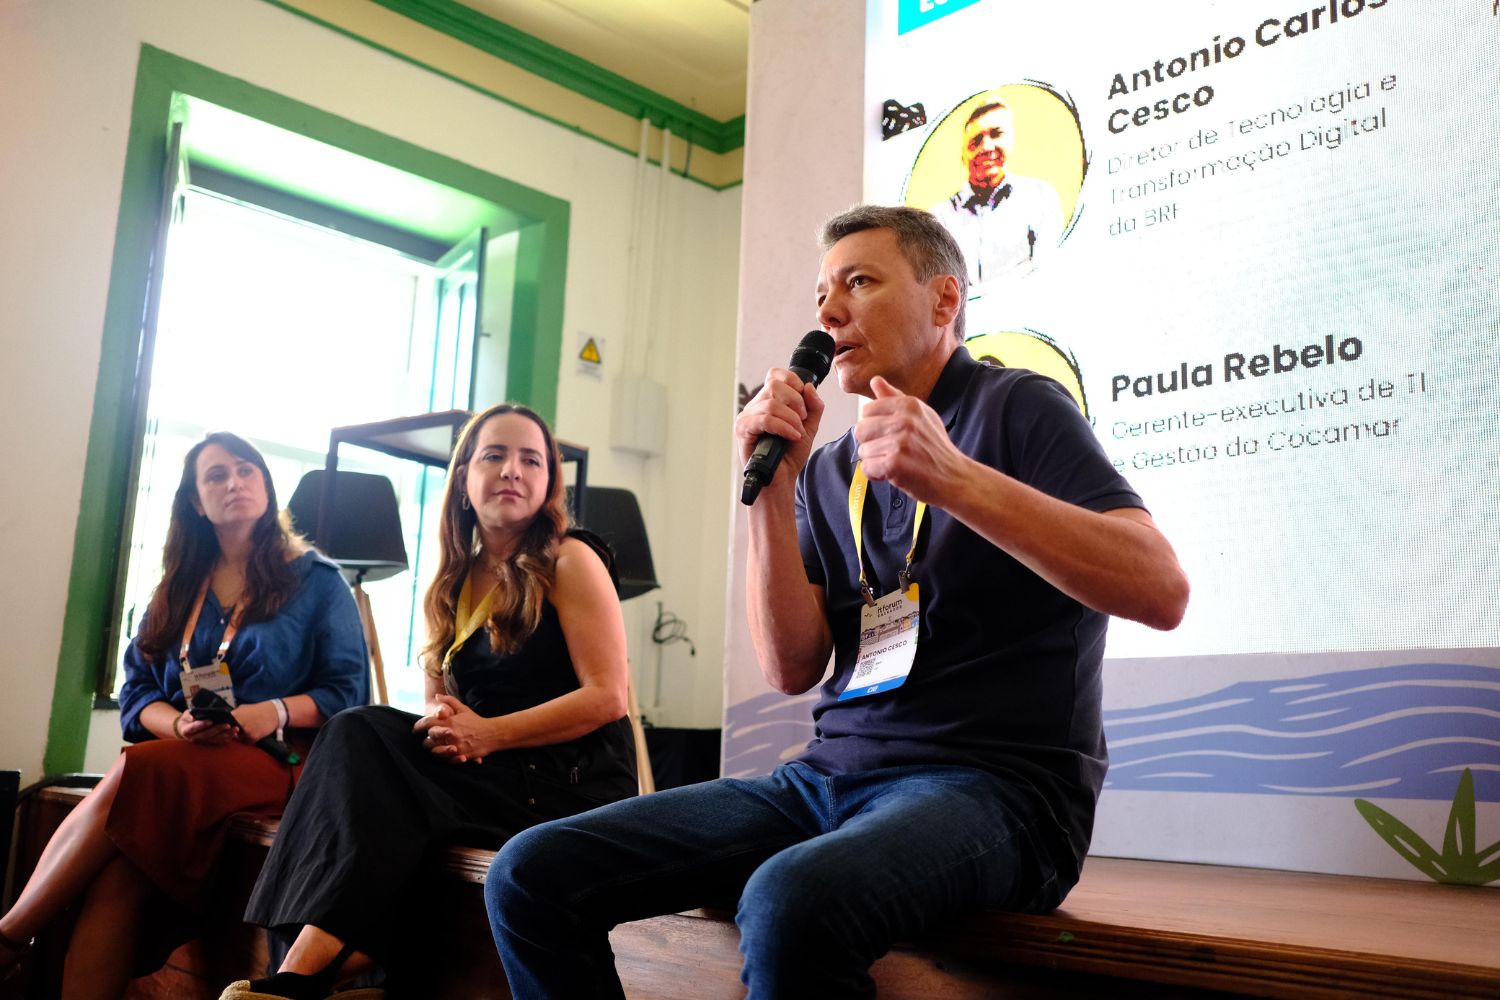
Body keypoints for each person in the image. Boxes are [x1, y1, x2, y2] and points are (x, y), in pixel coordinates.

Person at [486, 205, 1189, 998]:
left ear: (944, 301)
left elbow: (1160, 589)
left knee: (790, 900)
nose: (827, 311)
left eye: (859, 282)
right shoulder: (826, 471)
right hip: (824, 780)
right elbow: (791, 667)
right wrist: (768, 495)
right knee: (529, 871)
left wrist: (954, 478)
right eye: (822, 292)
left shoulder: (1018, 407)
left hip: (1000, 791)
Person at [220, 403, 637, 1000]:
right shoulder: (452, 583)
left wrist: (486, 734)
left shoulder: (571, 559)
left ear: (548, 484)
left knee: (361, 730)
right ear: (464, 477)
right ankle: (306, 977)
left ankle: (298, 980)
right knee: (352, 733)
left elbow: (608, 698)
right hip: (494, 775)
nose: (512, 470)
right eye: (494, 456)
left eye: (531, 460)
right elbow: (442, 710)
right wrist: (448, 728)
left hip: (574, 784)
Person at [0, 432, 370, 1000]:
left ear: (267, 488)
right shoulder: (176, 588)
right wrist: (178, 725)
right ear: (196, 502)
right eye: (216, 476)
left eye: (247, 471)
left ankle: (8, 937)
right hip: (186, 758)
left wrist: (266, 712)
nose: (235, 483)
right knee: (123, 864)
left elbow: (346, 694)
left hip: (284, 762)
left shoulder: (317, 580)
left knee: (139, 770)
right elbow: (138, 693)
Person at [936, 98, 1065, 288]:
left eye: (996, 134)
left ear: (1011, 140)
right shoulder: (940, 220)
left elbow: (1047, 274)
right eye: (976, 141)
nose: (986, 147)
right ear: (963, 156)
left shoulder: (1040, 197)